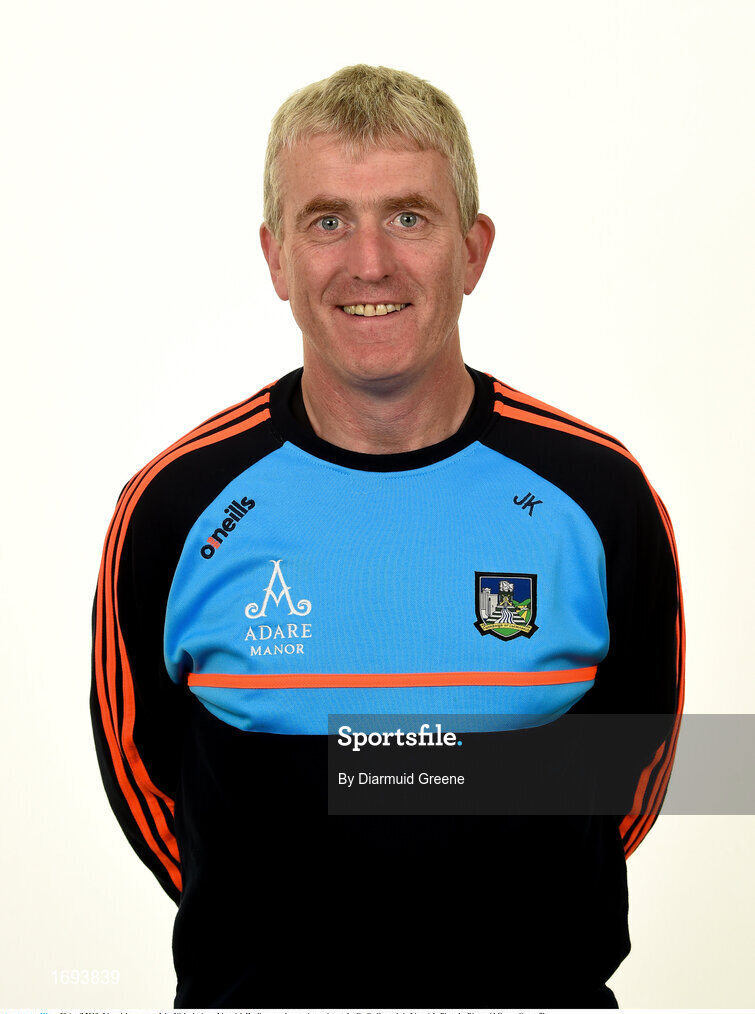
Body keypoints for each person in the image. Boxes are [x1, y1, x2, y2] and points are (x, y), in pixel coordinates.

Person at [91, 64, 684, 1008]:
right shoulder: (177, 505)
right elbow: (146, 780)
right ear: (276, 257)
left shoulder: (597, 495)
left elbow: (636, 769)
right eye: (327, 220)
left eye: (409, 216)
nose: (369, 262)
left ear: (472, 251)